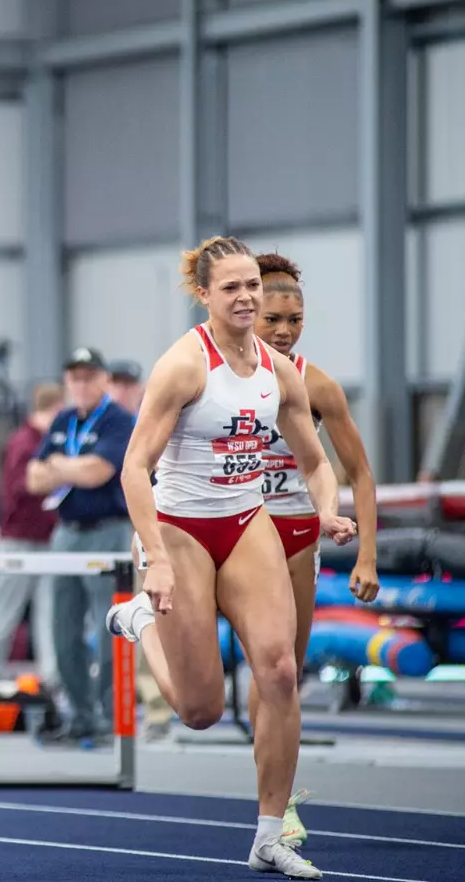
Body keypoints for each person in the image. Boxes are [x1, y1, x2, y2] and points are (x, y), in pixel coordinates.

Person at [106, 235, 354, 880]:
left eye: (253, 286)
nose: (246, 298)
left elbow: (314, 459)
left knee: (278, 672)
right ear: (205, 294)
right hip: (179, 528)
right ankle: (140, 622)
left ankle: (271, 835)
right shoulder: (185, 366)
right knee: (201, 712)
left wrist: (326, 508)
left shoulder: (278, 370)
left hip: (246, 520)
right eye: (232, 288)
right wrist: (155, 559)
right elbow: (135, 469)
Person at [251, 252, 380, 847]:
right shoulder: (208, 372)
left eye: (294, 320)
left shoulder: (316, 382)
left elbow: (359, 473)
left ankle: (274, 808)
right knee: (202, 696)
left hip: (296, 536)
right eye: (272, 319)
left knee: (281, 674)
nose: (283, 330)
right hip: (225, 532)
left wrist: (368, 555)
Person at [26, 347, 135, 745]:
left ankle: (109, 715)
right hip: (67, 531)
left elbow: (99, 472)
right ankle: (82, 715)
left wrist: (60, 467)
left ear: (104, 380)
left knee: (111, 627)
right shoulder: (63, 419)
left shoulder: (119, 421)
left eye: (89, 377)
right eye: (75, 378)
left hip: (109, 530)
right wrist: (67, 470)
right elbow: (33, 479)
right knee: (63, 627)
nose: (82, 385)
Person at [0, 381, 63, 686]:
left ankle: (51, 679)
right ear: (56, 409)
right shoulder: (24, 443)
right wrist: (58, 475)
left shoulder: (46, 441)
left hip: (46, 541)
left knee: (48, 615)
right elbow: (19, 487)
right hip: (19, 542)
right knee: (7, 612)